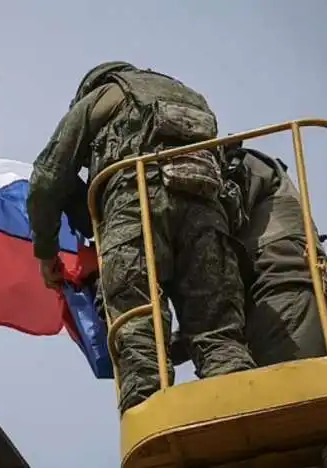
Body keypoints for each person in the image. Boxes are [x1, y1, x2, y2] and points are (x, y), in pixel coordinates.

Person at [26, 61, 256, 414]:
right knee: (219, 334)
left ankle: (152, 420)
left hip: (136, 207)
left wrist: (45, 252)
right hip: (207, 213)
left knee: (136, 329)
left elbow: (46, 178)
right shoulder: (189, 95)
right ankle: (243, 407)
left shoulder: (103, 96)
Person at [170, 145, 327, 367]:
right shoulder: (245, 173)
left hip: (285, 297)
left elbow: (203, 239)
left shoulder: (239, 169)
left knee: (279, 395)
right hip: (281, 301)